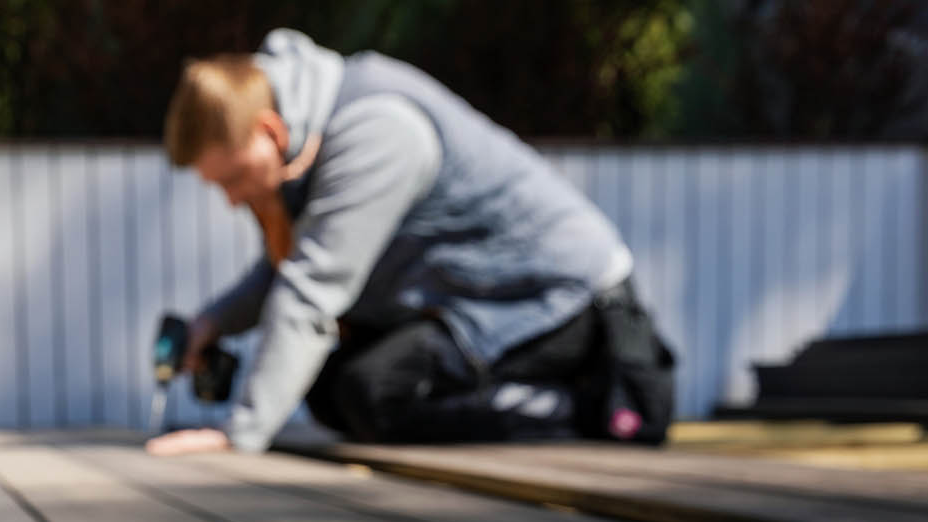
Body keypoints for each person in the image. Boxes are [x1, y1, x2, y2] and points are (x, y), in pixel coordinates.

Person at [146, 29, 676, 457]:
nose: (233, 201)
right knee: (330, 390)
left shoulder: (375, 131)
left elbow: (312, 288)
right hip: (471, 301)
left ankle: (590, 406)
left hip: (555, 297)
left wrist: (239, 437)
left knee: (370, 392)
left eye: (232, 179)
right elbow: (284, 274)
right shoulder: (310, 134)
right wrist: (209, 325)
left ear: (271, 132)